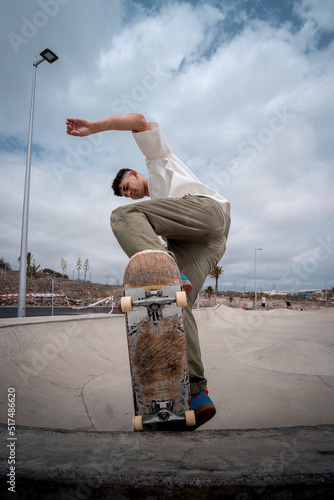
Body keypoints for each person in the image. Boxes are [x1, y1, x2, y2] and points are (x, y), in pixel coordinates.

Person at [66, 112, 231, 429]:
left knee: (123, 217)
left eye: (128, 186)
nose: (130, 194)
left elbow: (139, 119)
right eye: (127, 193)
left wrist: (95, 127)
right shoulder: (161, 208)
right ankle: (197, 394)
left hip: (205, 212)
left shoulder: (159, 162)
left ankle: (169, 271)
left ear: (134, 173)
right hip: (208, 242)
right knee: (177, 308)